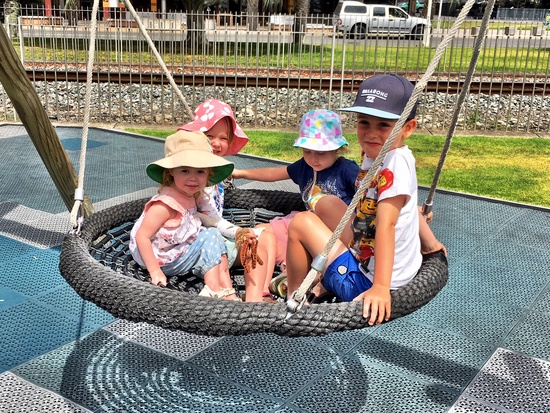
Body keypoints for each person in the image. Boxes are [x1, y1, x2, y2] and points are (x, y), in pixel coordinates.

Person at [285, 74, 446, 325]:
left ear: (408, 128)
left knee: (301, 223)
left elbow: (387, 225)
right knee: (327, 203)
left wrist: (380, 288)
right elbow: (407, 208)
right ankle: (324, 280)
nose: (371, 133)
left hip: (366, 282)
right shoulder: (384, 153)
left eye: (383, 125)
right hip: (366, 252)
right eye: (364, 122)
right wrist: (431, 244)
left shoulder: (393, 167)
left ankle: (294, 297)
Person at [232, 109, 360, 283]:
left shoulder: (346, 169)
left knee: (311, 241)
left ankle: (302, 277)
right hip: (308, 223)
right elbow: (273, 173)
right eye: (307, 151)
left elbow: (369, 190)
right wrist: (241, 173)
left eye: (321, 152)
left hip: (337, 233)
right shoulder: (304, 167)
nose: (313, 159)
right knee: (264, 231)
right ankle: (266, 284)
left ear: (337, 148)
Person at [179, 99, 278, 303]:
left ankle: (261, 292)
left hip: (212, 236)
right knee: (255, 242)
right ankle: (253, 301)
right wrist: (239, 232)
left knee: (267, 233)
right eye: (209, 136)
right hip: (203, 247)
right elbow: (211, 220)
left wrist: (234, 173)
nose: (216, 143)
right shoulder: (198, 177)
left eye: (223, 138)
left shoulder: (215, 171)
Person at [129, 130, 240, 301]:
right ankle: (213, 289)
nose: (193, 178)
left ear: (208, 174)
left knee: (214, 236)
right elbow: (142, 236)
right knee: (211, 235)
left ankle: (228, 291)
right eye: (185, 171)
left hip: (174, 250)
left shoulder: (189, 195)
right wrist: (155, 271)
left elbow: (195, 218)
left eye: (200, 172)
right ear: (171, 172)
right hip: (161, 260)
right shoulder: (165, 204)